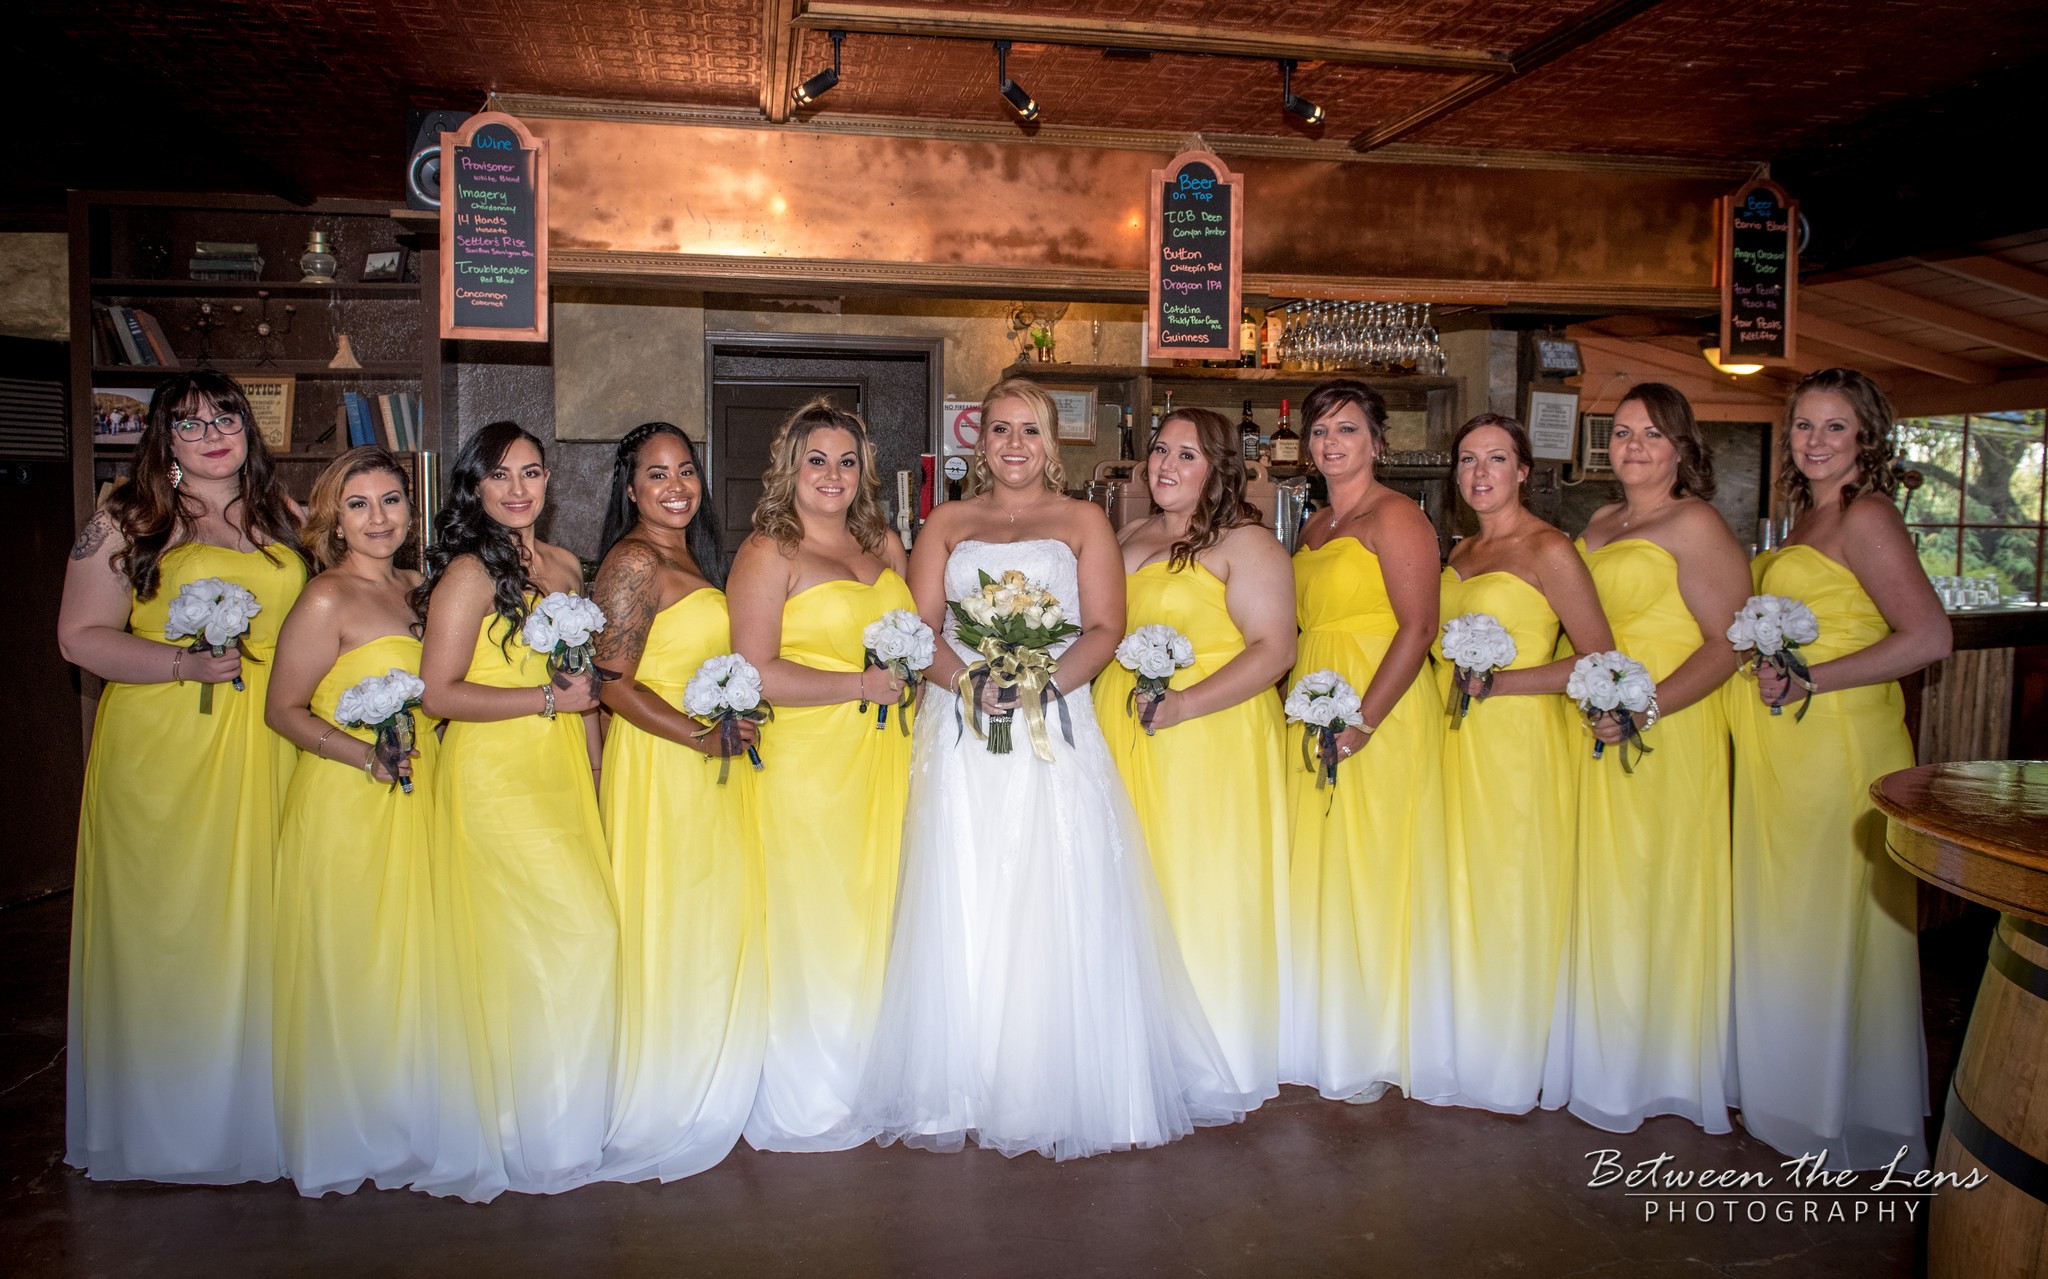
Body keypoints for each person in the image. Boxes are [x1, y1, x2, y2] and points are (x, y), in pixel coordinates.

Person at [857, 378, 1243, 1159]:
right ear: (980, 440)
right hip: (962, 724)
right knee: (966, 880)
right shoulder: (948, 521)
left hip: (1056, 721)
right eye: (999, 430)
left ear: (1052, 443)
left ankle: (1050, 1074)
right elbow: (920, 627)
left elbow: (1105, 626)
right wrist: (968, 680)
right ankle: (961, 1078)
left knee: (1054, 882)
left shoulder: (1084, 521)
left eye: (1029, 431)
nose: (1014, 445)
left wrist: (1040, 684)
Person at [58, 369, 307, 1183]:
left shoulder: (283, 515)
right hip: (167, 746)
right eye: (191, 423)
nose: (212, 434)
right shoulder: (127, 519)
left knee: (264, 923)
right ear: (162, 441)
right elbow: (79, 638)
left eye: (225, 417)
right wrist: (179, 663)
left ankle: (261, 1113)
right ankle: (174, 1126)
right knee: (176, 927)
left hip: (269, 742)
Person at [1730, 369, 1947, 1170]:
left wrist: (1816, 677)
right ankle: (1793, 1092)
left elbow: (1929, 637)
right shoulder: (1805, 518)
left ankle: (1836, 1109)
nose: (1815, 442)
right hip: (1788, 748)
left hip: (1841, 745)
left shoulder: (1868, 515)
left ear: (1866, 438)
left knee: (1830, 921)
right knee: (1795, 919)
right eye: (1804, 427)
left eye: (1834, 428)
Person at [412, 422, 614, 1200]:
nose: (519, 489)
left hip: (560, 771)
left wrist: (594, 764)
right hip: (496, 775)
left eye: (531, 472)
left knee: (582, 936)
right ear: (474, 487)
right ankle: (517, 1127)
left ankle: (564, 1115)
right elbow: (438, 692)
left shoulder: (564, 566)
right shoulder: (468, 572)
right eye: (500, 476)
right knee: (540, 944)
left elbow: (585, 687)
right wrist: (541, 698)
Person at [1545, 382, 1750, 1135]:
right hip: (1595, 719)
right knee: (1600, 884)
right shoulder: (1599, 520)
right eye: (1623, 433)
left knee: (1650, 883)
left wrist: (1644, 706)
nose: (1632, 446)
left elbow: (1729, 643)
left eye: (1651, 434)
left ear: (1681, 447)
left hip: (1667, 723)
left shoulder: (1693, 523)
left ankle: (1655, 1066)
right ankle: (1602, 1054)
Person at [1094, 405, 1295, 1110]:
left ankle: (1215, 1052)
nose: (1165, 465)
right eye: (1158, 450)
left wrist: (1183, 704)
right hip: (1125, 727)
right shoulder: (1128, 535)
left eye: (1186, 454)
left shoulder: (1248, 543)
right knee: (1134, 883)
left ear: (1218, 468)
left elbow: (1275, 650)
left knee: (1201, 884)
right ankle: (1143, 1045)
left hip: (1210, 736)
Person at [727, 400, 914, 1152]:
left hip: (885, 761)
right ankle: (813, 1090)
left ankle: (871, 1076)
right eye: (816, 459)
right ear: (789, 468)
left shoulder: (886, 548)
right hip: (808, 769)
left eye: (847, 461)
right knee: (816, 924)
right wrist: (855, 689)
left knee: (879, 917)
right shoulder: (770, 551)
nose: (832, 475)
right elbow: (754, 672)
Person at [588, 423, 766, 1182]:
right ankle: (665, 1091)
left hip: (708, 762)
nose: (674, 485)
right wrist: (697, 737)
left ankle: (706, 1076)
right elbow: (612, 683)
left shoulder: (690, 556)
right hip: (665, 765)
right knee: (672, 916)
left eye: (686, 469)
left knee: (708, 917)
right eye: (655, 473)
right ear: (629, 488)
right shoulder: (633, 560)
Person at [265, 447, 437, 1197]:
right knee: (354, 961)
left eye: (392, 499)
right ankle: (350, 1129)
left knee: (411, 960)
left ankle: (408, 1117)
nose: (379, 518)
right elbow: (283, 709)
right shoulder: (325, 599)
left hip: (420, 795)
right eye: (360, 504)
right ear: (334, 517)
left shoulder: (419, 588)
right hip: (348, 800)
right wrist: (363, 755)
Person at [1434, 414, 1613, 1114]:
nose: (1480, 473)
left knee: (1510, 891)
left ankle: (1510, 1062)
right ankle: (1463, 1044)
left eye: (1496, 459)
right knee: (1461, 886)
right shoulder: (1462, 553)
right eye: (1469, 460)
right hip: (1456, 739)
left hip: (1520, 742)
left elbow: (1600, 656)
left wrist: (1506, 683)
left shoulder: (1549, 550)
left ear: (1524, 471)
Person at [1284, 379, 1454, 1105]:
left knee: (1376, 865)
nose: (1331, 443)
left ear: (1377, 442)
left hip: (1376, 708)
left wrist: (1364, 722)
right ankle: (1325, 1027)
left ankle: (1378, 1036)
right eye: (1321, 430)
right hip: (1314, 701)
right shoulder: (1316, 523)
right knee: (1321, 866)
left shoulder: (1400, 517)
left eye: (1347, 429)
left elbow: (1418, 627)